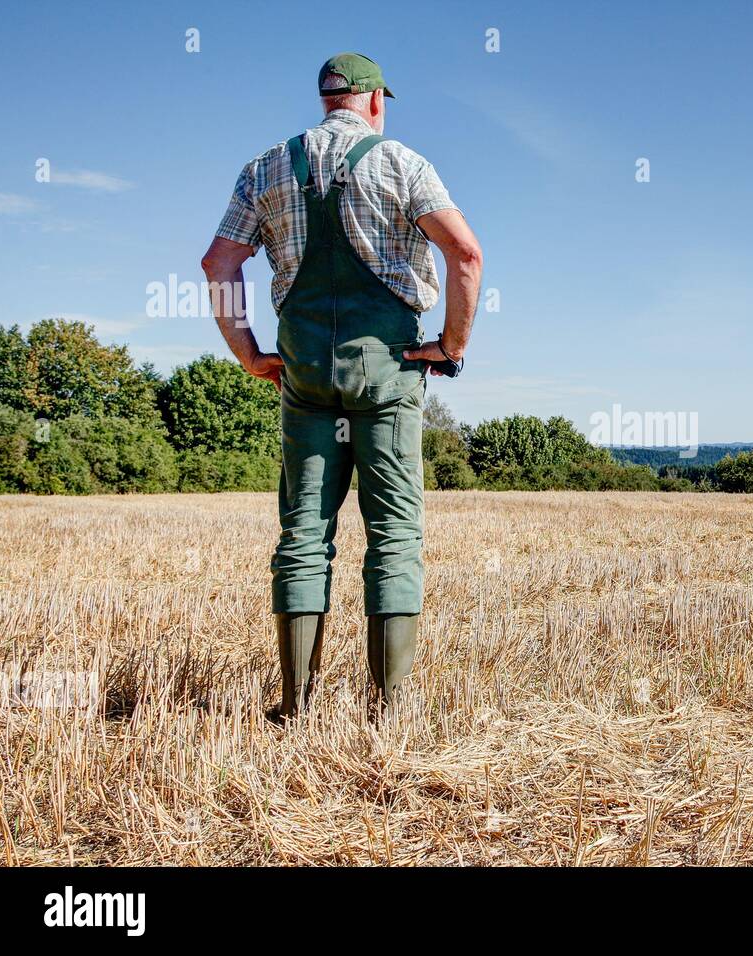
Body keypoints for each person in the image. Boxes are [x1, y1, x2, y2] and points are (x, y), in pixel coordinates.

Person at [200, 52, 483, 719]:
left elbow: (219, 262)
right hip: (387, 371)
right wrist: (451, 346)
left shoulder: (265, 168)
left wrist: (245, 350)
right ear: (375, 101)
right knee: (394, 533)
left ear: (327, 99)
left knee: (303, 532)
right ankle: (390, 708)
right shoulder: (403, 164)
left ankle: (295, 706)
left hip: (303, 372)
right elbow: (466, 254)